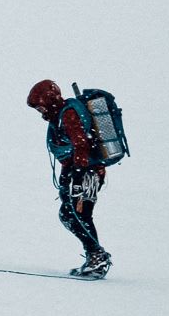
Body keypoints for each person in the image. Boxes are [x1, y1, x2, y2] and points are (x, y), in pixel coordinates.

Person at [27, 79, 113, 279]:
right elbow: (72, 149)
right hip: (78, 171)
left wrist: (78, 172)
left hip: (89, 172)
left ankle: (97, 257)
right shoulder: (59, 116)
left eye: (40, 106)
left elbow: (81, 143)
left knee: (78, 214)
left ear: (49, 100)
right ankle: (94, 256)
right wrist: (67, 175)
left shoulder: (69, 114)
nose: (40, 111)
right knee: (68, 214)